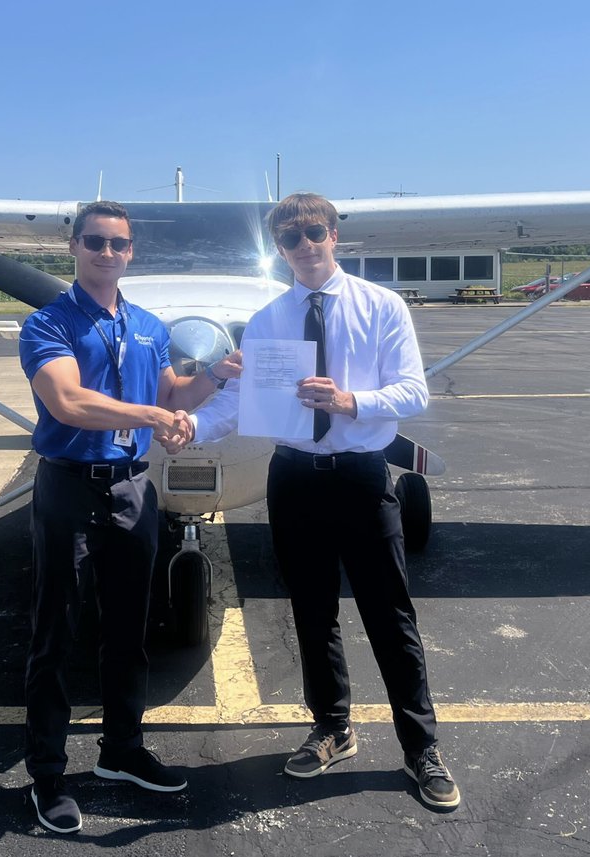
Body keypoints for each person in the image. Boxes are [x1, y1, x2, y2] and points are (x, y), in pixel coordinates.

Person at [185, 192, 460, 810]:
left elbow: (413, 391)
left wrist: (348, 402)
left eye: (314, 232)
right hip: (294, 477)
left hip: (362, 475)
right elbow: (234, 405)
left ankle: (421, 747)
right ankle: (332, 728)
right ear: (279, 249)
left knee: (390, 615)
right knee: (311, 612)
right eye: (290, 238)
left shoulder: (381, 305)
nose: (304, 245)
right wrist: (188, 430)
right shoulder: (268, 322)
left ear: (335, 236)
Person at [17, 200, 241, 833]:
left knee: (128, 629)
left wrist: (218, 378)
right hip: (68, 487)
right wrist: (151, 417)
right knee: (55, 635)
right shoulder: (49, 324)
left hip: (132, 491)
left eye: (117, 244)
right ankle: (47, 776)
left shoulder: (146, 324)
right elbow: (66, 402)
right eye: (94, 242)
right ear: (74, 247)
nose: (105, 252)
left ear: (130, 251)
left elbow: (172, 394)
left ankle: (121, 751)